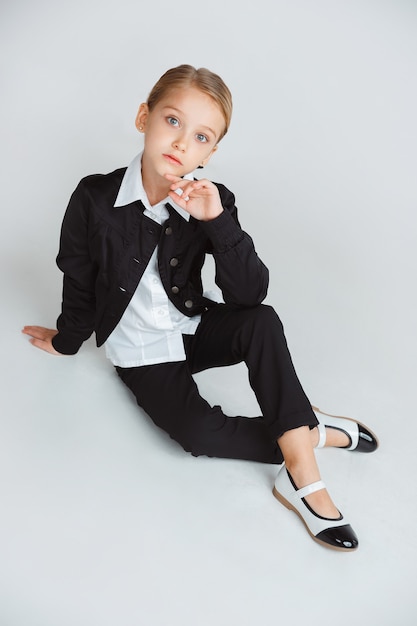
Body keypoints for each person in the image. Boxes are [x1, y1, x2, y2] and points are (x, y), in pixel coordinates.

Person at [22, 64, 378, 552]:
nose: (182, 143)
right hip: (141, 351)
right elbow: (78, 273)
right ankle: (308, 431)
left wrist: (217, 222)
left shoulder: (211, 200)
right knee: (196, 434)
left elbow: (250, 297)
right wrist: (68, 339)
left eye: (201, 136)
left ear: (211, 151)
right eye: (172, 121)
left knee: (261, 323)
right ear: (143, 117)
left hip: (190, 327)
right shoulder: (94, 196)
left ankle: (301, 478)